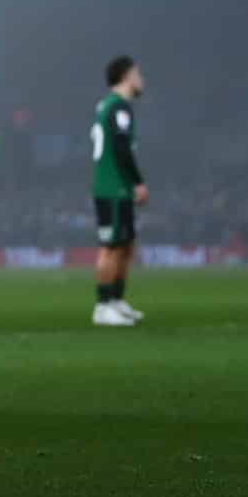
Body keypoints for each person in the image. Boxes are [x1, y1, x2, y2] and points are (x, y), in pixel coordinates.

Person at [89, 56, 149, 326]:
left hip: (116, 186)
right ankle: (102, 307)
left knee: (126, 244)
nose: (141, 79)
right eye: (138, 73)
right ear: (126, 76)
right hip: (112, 186)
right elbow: (121, 148)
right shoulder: (118, 107)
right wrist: (138, 181)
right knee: (111, 247)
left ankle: (116, 300)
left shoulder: (107, 105)